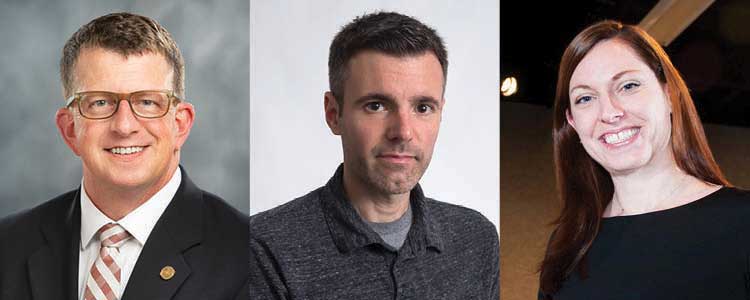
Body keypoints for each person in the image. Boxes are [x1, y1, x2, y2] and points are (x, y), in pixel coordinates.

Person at [249, 11, 498, 299]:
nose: (403, 132)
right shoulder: (263, 249)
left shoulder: (477, 239)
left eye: (422, 107)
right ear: (333, 114)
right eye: (376, 106)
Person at [0, 12, 248, 300]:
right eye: (100, 102)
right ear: (69, 129)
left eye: (147, 102)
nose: (124, 126)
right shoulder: (7, 246)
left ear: (180, 124)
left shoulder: (243, 253)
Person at [538, 20, 750, 299]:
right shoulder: (566, 244)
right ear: (572, 122)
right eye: (586, 98)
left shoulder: (742, 222)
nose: (610, 112)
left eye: (628, 86)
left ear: (669, 94)